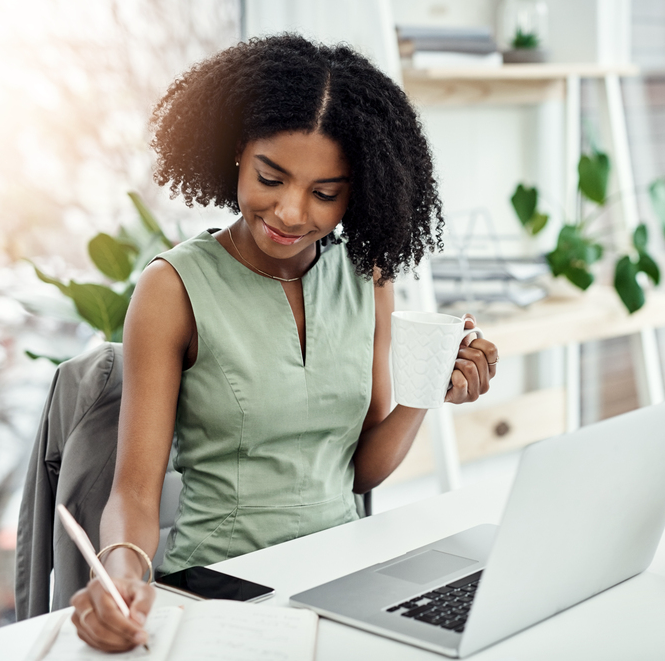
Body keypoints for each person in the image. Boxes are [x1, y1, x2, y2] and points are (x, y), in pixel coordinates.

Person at [69, 34, 499, 652]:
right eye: (271, 177)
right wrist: (120, 575)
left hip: (343, 576)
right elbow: (134, 492)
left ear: (361, 190)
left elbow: (360, 472)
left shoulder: (367, 276)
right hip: (220, 588)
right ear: (235, 153)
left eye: (326, 193)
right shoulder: (173, 288)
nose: (292, 213)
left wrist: (429, 386)